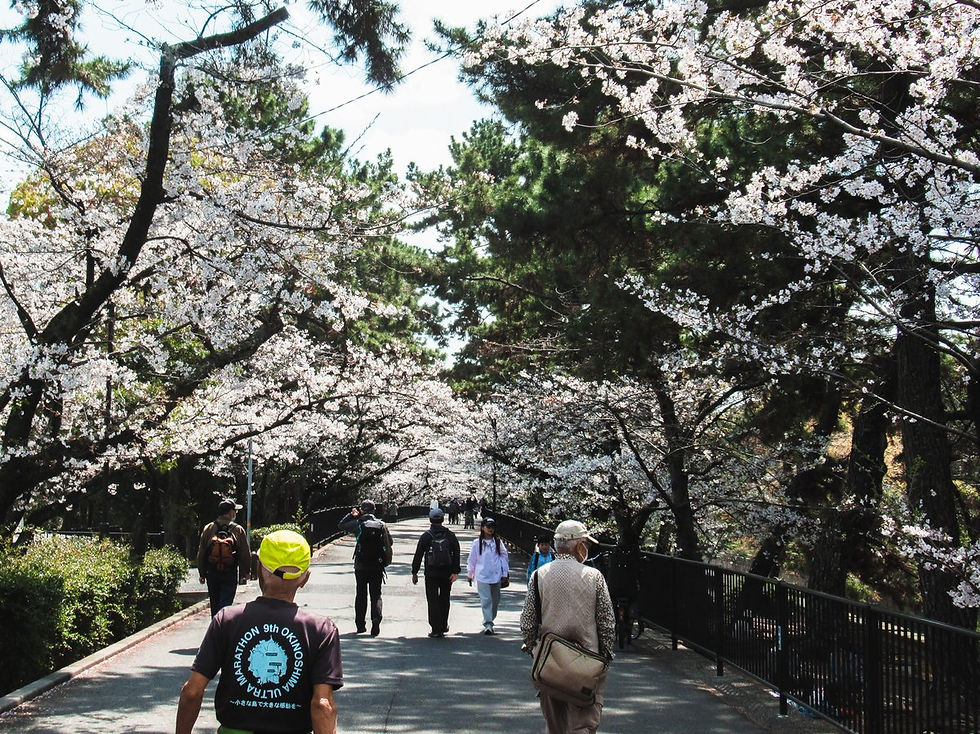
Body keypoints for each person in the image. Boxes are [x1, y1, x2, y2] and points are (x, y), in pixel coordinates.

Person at [176, 529, 343, 734]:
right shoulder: (320, 629)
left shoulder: (228, 619)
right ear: (305, 579)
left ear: (259, 569)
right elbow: (322, 705)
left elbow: (192, 691)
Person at [520, 520, 615, 734]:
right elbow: (606, 622)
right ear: (580, 546)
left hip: (551, 661)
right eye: (585, 544)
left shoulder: (539, 575)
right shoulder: (594, 577)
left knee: (555, 724)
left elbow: (527, 621)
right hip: (586, 661)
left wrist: (531, 646)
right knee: (583, 723)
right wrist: (605, 657)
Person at [338, 499, 393, 636]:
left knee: (361, 594)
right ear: (374, 510)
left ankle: (360, 625)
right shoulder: (381, 525)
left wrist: (352, 515)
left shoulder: (358, 524)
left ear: (362, 510)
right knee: (376, 594)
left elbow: (341, 525)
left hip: (361, 565)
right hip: (377, 565)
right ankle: (376, 619)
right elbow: (390, 542)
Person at [196, 497, 251, 617]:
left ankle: (215, 624)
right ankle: (223, 623)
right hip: (229, 572)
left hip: (212, 572)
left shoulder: (208, 528)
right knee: (226, 602)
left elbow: (202, 552)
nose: (235, 513)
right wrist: (246, 572)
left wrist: (202, 573)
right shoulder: (238, 530)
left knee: (214, 602)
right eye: (235, 511)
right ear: (230, 512)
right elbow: (244, 553)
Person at [411, 507, 461, 638]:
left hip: (431, 572)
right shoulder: (450, 535)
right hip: (447, 572)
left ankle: (435, 628)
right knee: (445, 598)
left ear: (430, 520)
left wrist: (414, 572)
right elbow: (456, 552)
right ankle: (443, 625)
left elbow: (418, 554)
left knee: (432, 599)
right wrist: (455, 571)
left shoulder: (426, 536)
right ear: (443, 519)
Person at [466, 517, 510, 635]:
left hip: (496, 575)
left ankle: (490, 618)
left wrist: (504, 573)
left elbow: (504, 557)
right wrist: (470, 573)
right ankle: (488, 623)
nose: (491, 529)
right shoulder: (477, 543)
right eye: (488, 527)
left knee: (495, 601)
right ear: (483, 528)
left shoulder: (498, 542)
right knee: (486, 600)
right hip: (482, 575)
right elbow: (472, 559)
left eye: (492, 527)